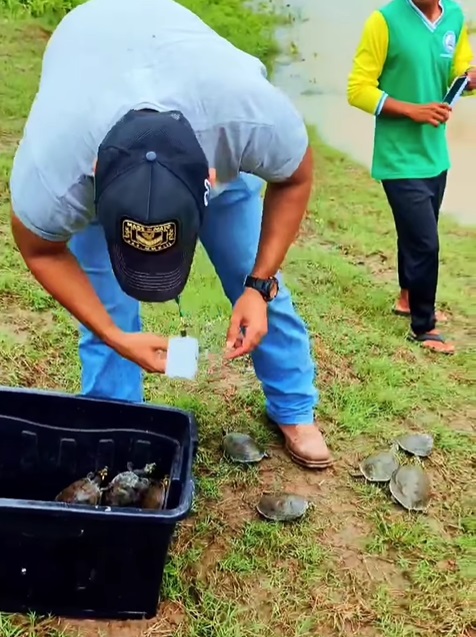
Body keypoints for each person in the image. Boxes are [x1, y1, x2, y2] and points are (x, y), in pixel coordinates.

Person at [9, 0, 333, 470]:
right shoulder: (58, 168)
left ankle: (294, 409)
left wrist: (259, 285)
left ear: (210, 177)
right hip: (90, 52)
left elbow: (296, 178)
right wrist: (116, 335)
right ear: (95, 181)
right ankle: (113, 423)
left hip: (194, 103)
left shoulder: (245, 115)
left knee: (256, 279)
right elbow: (40, 250)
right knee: (107, 311)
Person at [348, 0, 475, 355]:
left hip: (435, 154)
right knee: (425, 243)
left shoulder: (453, 16)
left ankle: (407, 297)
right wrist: (411, 110)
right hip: (398, 157)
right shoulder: (384, 22)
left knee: (415, 232)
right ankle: (425, 326)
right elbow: (358, 89)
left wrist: (467, 81)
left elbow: (458, 71)